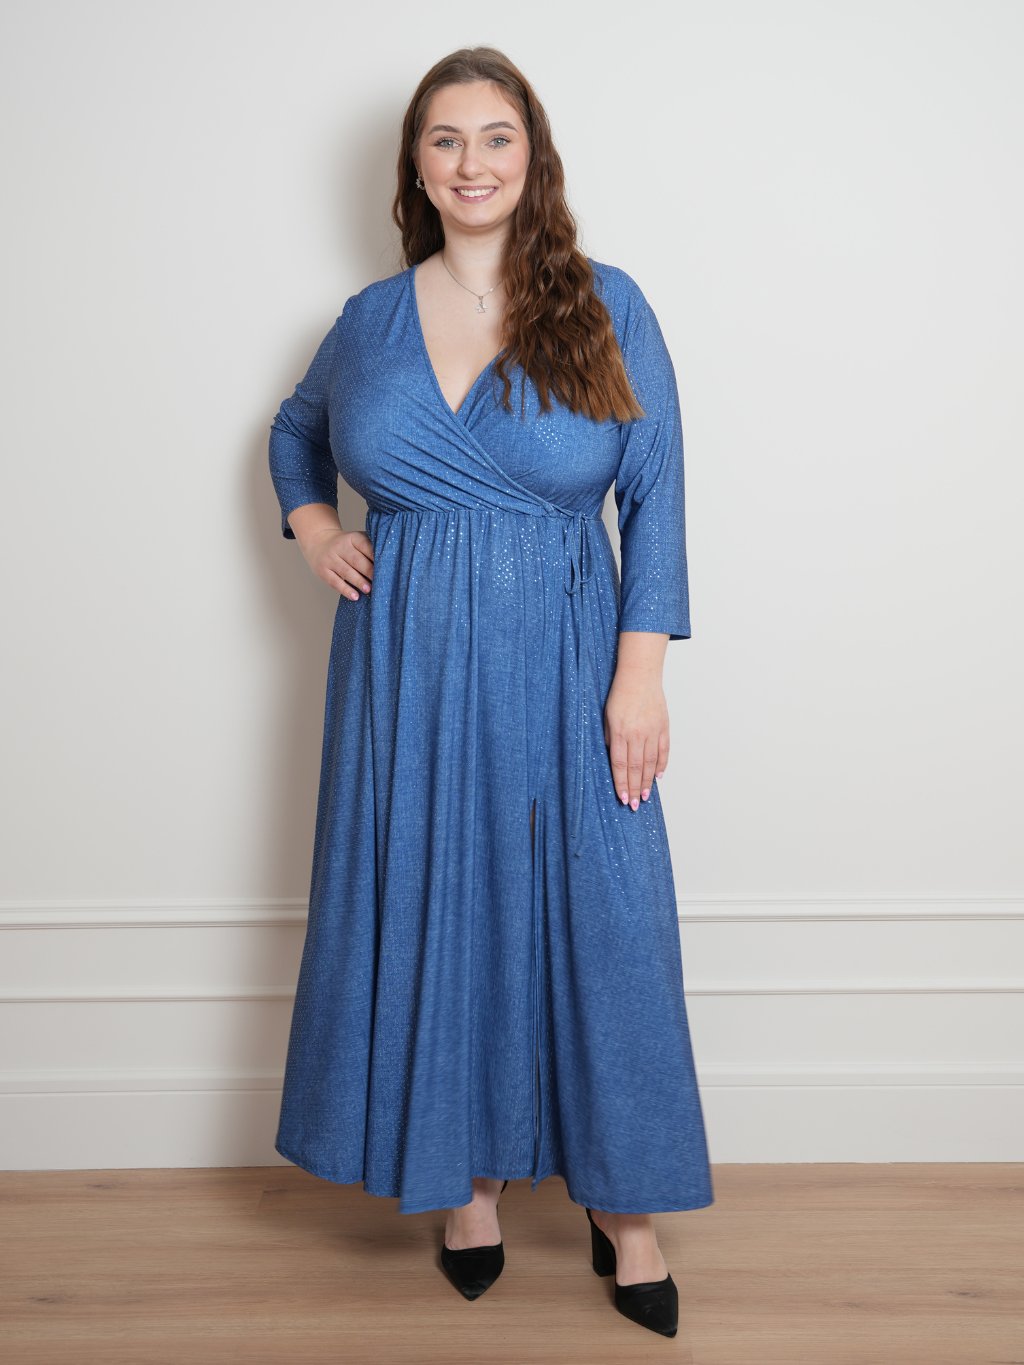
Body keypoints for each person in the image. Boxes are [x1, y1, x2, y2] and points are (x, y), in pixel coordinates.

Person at [267, 45, 713, 1339]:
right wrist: (313, 524)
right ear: (417, 165)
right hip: (404, 673)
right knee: (433, 898)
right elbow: (294, 430)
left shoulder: (608, 303)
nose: (473, 162)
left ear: (534, 157)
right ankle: (462, 1186)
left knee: (605, 918)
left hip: (571, 657)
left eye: (497, 137)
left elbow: (658, 493)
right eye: (447, 139)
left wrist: (641, 678)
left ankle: (627, 1209)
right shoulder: (368, 319)